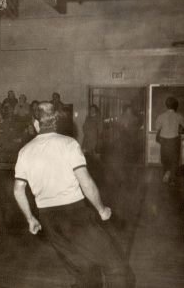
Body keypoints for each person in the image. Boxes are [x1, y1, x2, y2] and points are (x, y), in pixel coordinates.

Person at [14, 102, 132, 288]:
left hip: (49, 220)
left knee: (84, 272)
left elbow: (18, 189)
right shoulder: (69, 143)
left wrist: (30, 219)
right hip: (75, 216)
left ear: (35, 123)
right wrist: (101, 209)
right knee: (116, 267)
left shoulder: (24, 151)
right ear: (56, 122)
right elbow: (86, 183)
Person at [155, 97, 184, 183]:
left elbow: (157, 127)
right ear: (175, 105)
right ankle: (172, 179)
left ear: (166, 105)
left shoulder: (161, 116)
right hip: (174, 140)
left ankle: (167, 173)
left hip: (164, 140)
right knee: (174, 160)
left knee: (165, 158)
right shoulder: (179, 116)